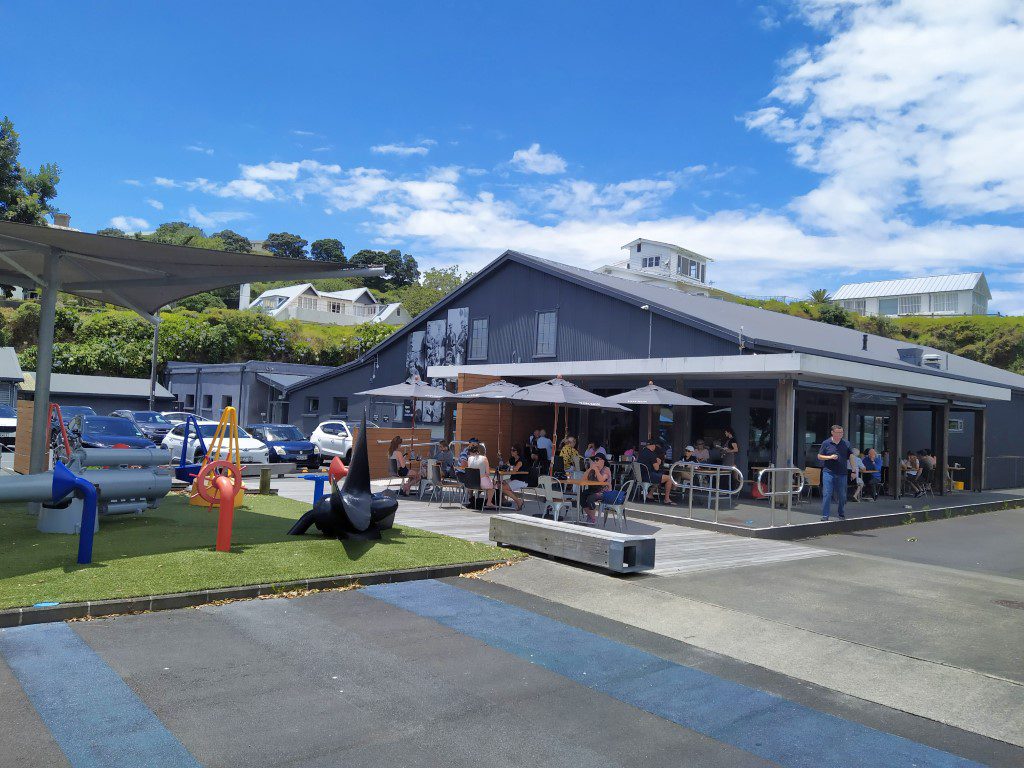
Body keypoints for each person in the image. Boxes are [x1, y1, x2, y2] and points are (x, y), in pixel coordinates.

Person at [817, 424, 853, 520]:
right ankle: (825, 515)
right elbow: (819, 456)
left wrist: (854, 470)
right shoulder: (826, 443)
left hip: (842, 473)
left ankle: (841, 512)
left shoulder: (846, 443)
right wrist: (830, 457)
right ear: (832, 433)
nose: (840, 434)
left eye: (841, 432)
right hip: (828, 472)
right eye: (838, 432)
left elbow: (851, 457)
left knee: (842, 495)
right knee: (827, 493)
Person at [638, 436, 675, 504]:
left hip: (640, 476)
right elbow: (656, 468)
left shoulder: (642, 452)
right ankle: (666, 499)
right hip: (648, 476)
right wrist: (658, 462)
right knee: (669, 478)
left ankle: (650, 494)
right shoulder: (651, 454)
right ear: (653, 446)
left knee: (659, 476)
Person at [581, 452, 613, 524]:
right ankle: (591, 516)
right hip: (593, 489)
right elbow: (583, 479)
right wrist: (589, 469)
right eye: (594, 460)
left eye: (597, 459)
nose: (595, 461)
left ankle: (592, 518)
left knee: (590, 498)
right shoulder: (592, 470)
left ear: (603, 461)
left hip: (604, 491)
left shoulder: (606, 469)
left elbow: (601, 480)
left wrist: (596, 470)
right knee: (582, 496)